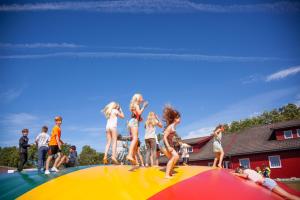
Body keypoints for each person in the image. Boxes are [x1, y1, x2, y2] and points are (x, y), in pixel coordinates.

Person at [233, 166, 300, 200]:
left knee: (287, 196)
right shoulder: (250, 170)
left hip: (267, 182)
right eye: (237, 171)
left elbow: (246, 176)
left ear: (241, 169)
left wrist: (235, 174)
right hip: (267, 182)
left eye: (238, 170)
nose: (238, 172)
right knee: (283, 197)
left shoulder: (246, 171)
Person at [159, 105, 181, 179]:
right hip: (163, 144)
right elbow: (165, 137)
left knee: (176, 157)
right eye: (178, 117)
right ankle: (167, 174)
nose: (180, 119)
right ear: (174, 119)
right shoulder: (170, 127)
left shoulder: (173, 127)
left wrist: (171, 146)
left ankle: (170, 171)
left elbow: (170, 139)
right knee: (172, 157)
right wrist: (168, 146)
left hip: (167, 144)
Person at [126, 93, 148, 165]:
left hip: (133, 122)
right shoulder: (137, 105)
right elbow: (138, 113)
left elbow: (137, 115)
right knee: (135, 139)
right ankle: (129, 155)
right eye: (141, 97)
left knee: (135, 143)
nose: (142, 98)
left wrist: (140, 118)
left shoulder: (134, 105)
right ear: (138, 98)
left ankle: (134, 161)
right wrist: (144, 107)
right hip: (134, 122)